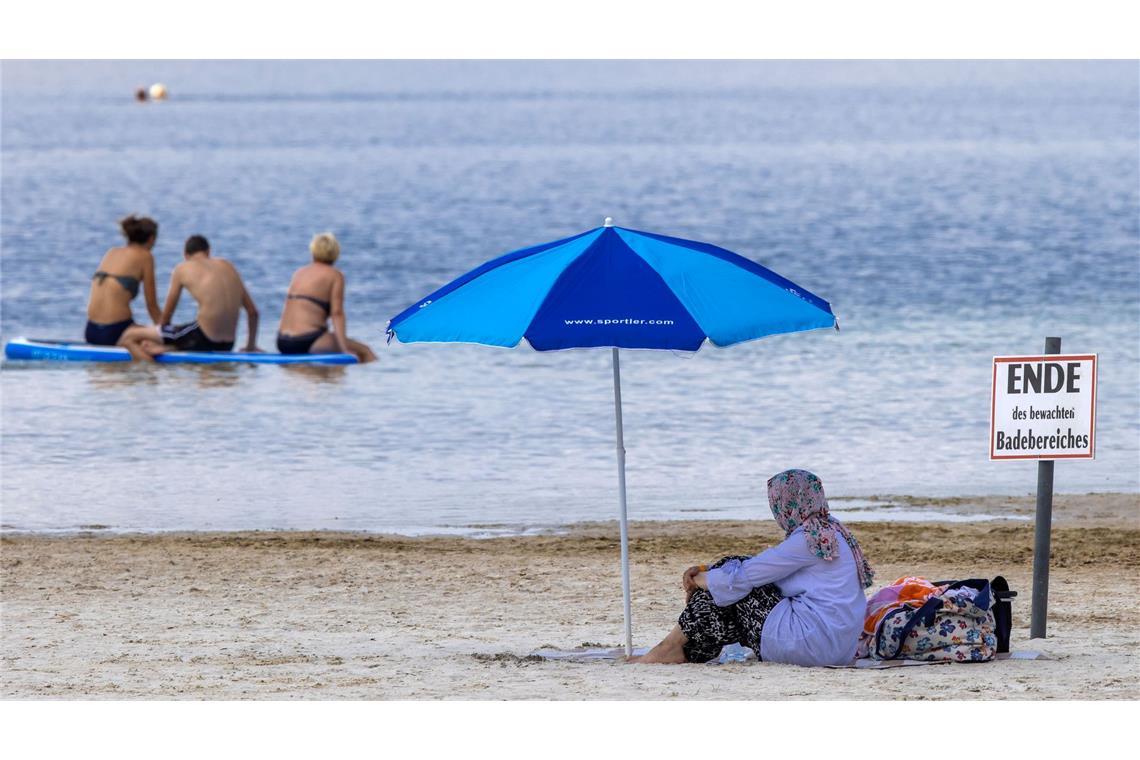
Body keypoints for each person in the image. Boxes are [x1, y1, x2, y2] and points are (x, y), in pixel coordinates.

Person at [632, 469, 874, 666]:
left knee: (730, 575)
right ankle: (684, 653)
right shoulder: (830, 531)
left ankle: (668, 647)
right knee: (728, 583)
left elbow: (746, 576)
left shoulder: (807, 540)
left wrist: (698, 580)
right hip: (839, 648)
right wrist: (709, 572)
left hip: (809, 643)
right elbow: (768, 570)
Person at [121, 235, 259, 359]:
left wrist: (159, 336)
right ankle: (169, 348)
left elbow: (166, 317)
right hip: (228, 344)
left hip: (203, 339)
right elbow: (253, 312)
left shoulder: (182, 268)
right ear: (208, 252)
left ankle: (152, 370)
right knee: (180, 334)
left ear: (185, 255)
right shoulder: (229, 266)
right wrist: (250, 347)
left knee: (129, 336)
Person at [276, 232, 376, 363]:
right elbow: (337, 313)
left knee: (328, 375)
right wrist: (343, 348)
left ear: (313, 251)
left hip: (283, 342)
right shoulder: (335, 275)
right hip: (308, 341)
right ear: (335, 253)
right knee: (365, 351)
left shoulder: (299, 273)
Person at [85, 215, 162, 349]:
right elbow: (152, 306)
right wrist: (167, 334)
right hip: (116, 332)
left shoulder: (112, 252)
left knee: (145, 332)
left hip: (91, 331)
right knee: (157, 338)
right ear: (151, 239)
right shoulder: (145, 257)